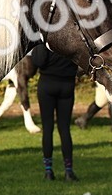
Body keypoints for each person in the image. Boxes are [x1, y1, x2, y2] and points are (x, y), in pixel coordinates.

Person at [29, 43, 79, 181]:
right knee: (64, 129)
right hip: (67, 85)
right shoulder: (70, 39)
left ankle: (48, 171)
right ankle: (69, 171)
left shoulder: (47, 39)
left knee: (47, 128)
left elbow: (38, 61)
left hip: (47, 84)